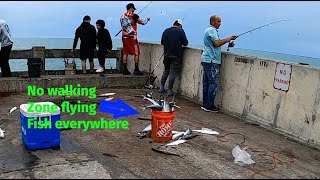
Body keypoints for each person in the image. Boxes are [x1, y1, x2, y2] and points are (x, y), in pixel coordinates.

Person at [201, 15, 237, 112]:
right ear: (212, 22)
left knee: (206, 83)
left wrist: (228, 39)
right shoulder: (211, 30)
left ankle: (205, 104)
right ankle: (209, 106)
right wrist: (227, 39)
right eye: (218, 21)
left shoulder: (209, 30)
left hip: (206, 59)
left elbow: (216, 42)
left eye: (220, 21)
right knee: (213, 83)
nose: (220, 23)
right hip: (211, 60)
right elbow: (216, 43)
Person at [159, 19, 188, 97]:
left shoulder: (166, 31)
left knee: (166, 71)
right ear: (180, 25)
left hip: (166, 55)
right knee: (172, 73)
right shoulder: (180, 31)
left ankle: (161, 87)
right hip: (176, 56)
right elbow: (185, 43)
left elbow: (162, 42)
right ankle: (169, 90)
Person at [120, 3, 150, 75]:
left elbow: (123, 25)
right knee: (136, 53)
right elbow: (142, 22)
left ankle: (125, 70)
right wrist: (147, 19)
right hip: (132, 37)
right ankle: (136, 70)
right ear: (130, 8)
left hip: (124, 37)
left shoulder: (122, 16)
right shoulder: (134, 16)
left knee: (125, 52)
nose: (134, 11)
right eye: (133, 9)